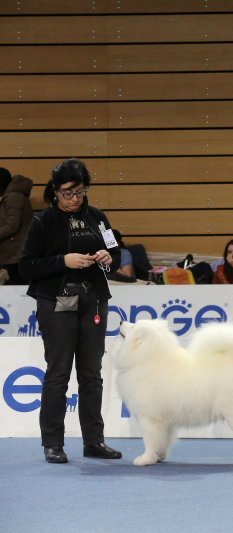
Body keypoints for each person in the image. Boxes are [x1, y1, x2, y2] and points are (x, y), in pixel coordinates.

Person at [18, 158, 123, 463]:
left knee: (92, 374)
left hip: (94, 301)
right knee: (58, 373)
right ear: (54, 192)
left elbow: (116, 253)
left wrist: (108, 256)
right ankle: (53, 443)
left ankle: (94, 441)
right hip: (56, 303)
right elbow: (26, 266)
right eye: (67, 193)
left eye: (79, 192)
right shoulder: (42, 222)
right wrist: (63, 261)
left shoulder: (98, 218)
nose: (74, 199)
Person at [0, 168, 34, 285]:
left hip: (15, 254)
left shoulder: (14, 197)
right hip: (15, 253)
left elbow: (12, 225)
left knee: (14, 291)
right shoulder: (14, 196)